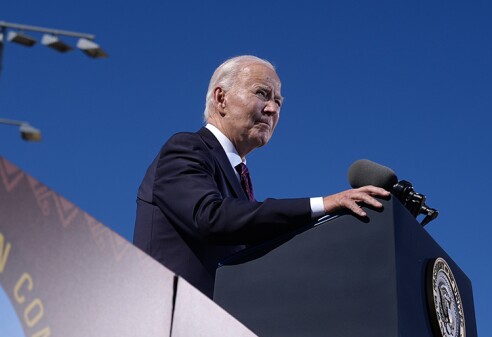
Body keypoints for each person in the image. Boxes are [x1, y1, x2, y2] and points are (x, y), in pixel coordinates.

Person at [134, 55, 389, 297]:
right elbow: (209, 217)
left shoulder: (240, 179)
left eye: (278, 102)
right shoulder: (187, 148)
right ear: (221, 98)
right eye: (262, 94)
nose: (272, 109)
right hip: (165, 321)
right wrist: (323, 204)